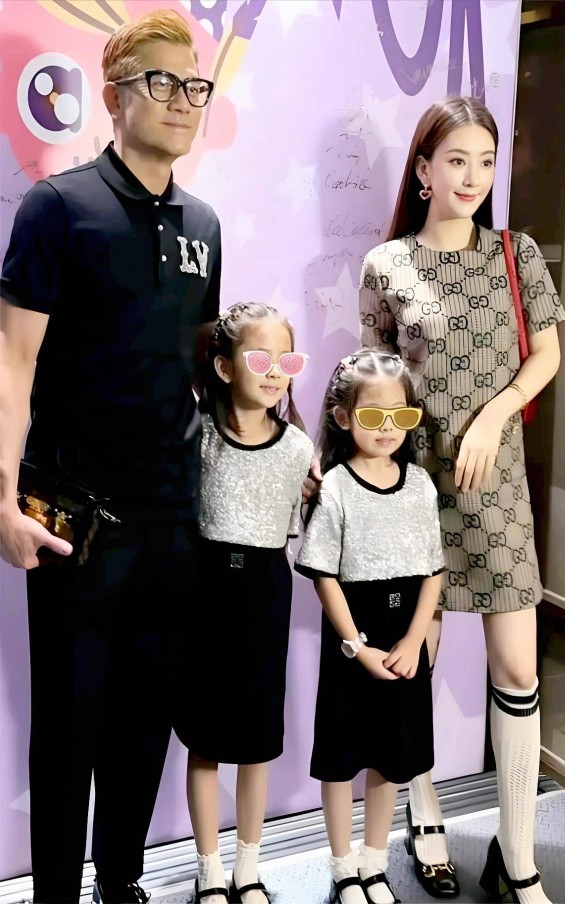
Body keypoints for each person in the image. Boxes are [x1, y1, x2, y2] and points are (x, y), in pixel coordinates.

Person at [0, 10, 220, 904]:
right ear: (115, 94)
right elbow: (12, 363)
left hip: (174, 519)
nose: (182, 100)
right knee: (67, 727)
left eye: (194, 85)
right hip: (72, 519)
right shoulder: (57, 207)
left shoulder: (204, 223)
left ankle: (120, 882)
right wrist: (1, 502)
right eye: (161, 81)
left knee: (143, 721)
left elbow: (201, 371)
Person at [356, 96, 565, 904]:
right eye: (455, 160)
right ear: (422, 170)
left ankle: (519, 860)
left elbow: (545, 355)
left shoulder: (516, 254)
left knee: (517, 667)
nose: (473, 176)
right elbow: (372, 381)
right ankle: (426, 819)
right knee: (417, 660)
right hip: (413, 487)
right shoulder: (387, 265)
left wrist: (494, 414)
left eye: (485, 161)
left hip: (497, 486)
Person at [295, 348, 449, 904]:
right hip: (353, 637)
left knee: (392, 756)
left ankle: (375, 864)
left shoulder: (420, 484)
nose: (388, 428)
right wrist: (356, 646)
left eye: (400, 416)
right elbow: (324, 576)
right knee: (341, 759)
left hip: (405, 635)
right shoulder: (336, 486)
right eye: (372, 416)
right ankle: (343, 869)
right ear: (343, 417)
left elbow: (433, 569)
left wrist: (414, 640)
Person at [173, 302, 314, 904]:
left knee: (257, 742)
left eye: (287, 360)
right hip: (204, 593)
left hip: (265, 594)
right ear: (226, 368)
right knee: (205, 740)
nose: (276, 371)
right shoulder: (199, 436)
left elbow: (293, 527)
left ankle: (248, 868)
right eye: (261, 359)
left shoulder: (298, 447)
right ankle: (208, 869)